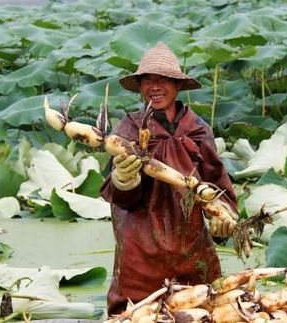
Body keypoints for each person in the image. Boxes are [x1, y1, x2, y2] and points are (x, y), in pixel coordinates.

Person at [100, 42, 239, 315]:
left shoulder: (198, 129)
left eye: (163, 80)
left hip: (192, 244)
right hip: (140, 244)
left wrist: (225, 215)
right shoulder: (127, 129)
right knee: (135, 314)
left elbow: (218, 183)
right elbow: (120, 199)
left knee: (204, 311)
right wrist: (124, 179)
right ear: (139, 86)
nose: (155, 86)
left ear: (177, 86)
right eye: (148, 80)